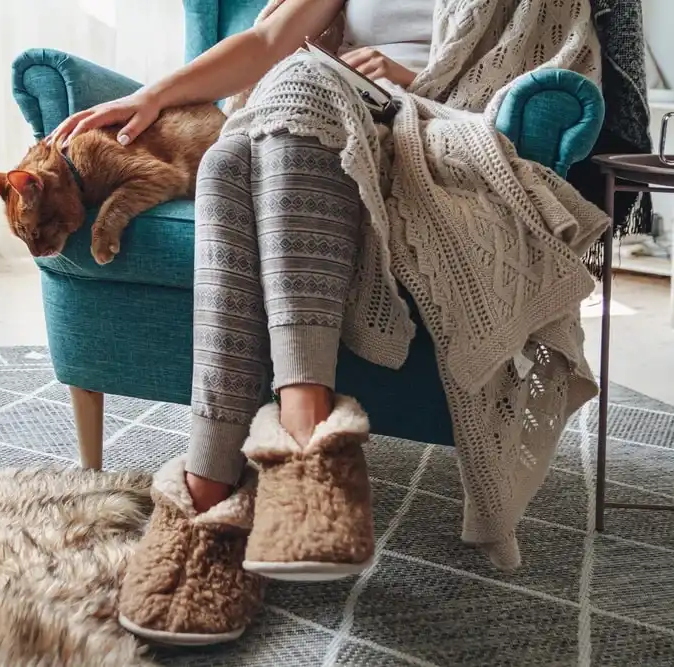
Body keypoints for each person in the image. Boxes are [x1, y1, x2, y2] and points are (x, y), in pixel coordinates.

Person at [50, 0, 607, 646]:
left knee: (300, 83)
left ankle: (255, 464)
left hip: (437, 133)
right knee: (228, 157)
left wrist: (406, 79)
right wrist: (151, 96)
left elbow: (547, 66)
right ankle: (254, 470)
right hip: (325, 128)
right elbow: (269, 37)